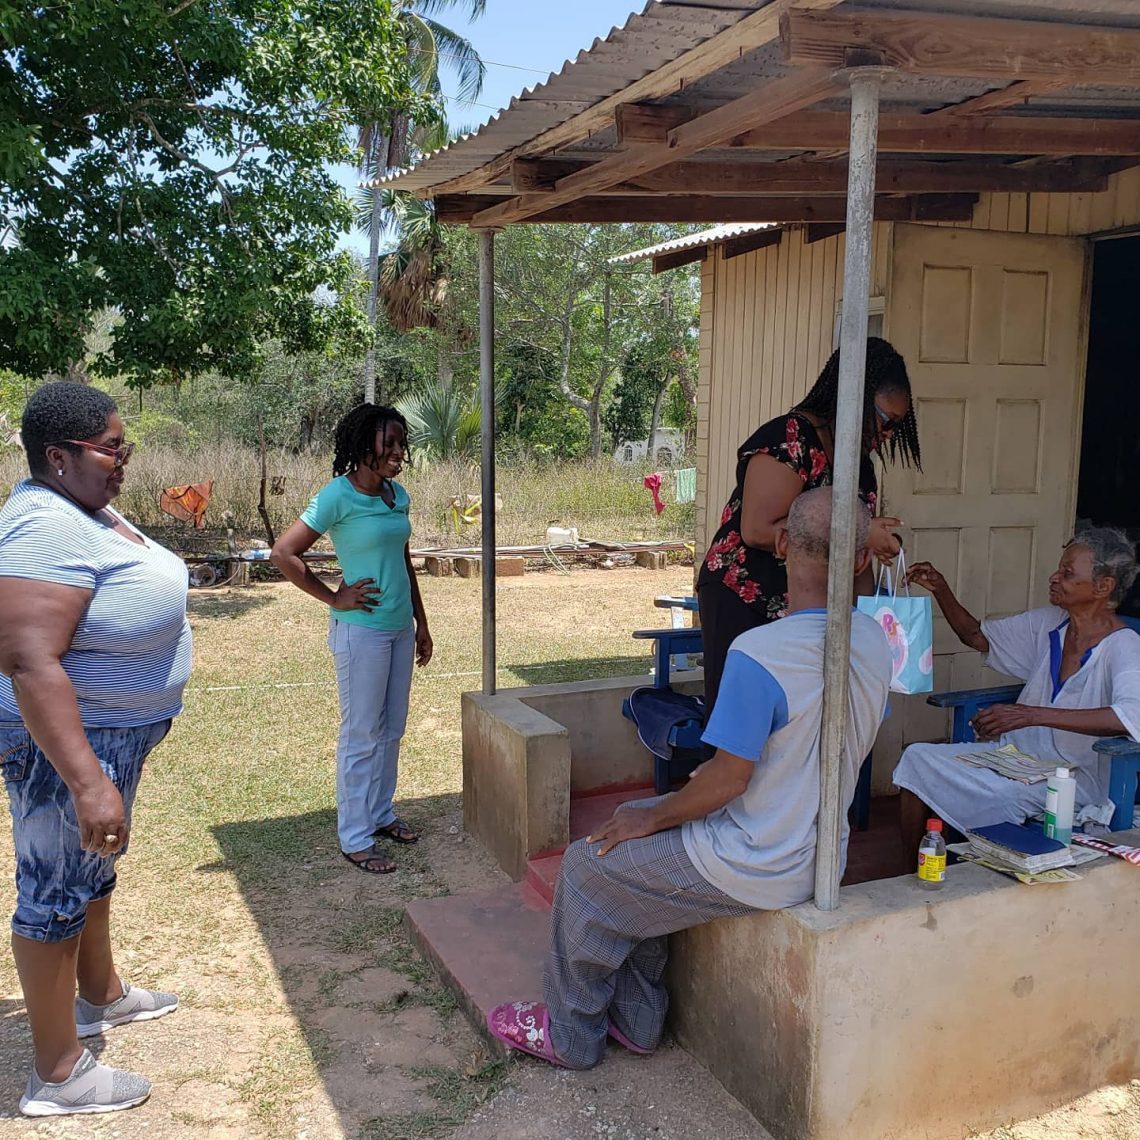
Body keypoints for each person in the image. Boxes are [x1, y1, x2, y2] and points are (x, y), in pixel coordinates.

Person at [487, 488, 892, 1069]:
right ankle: (638, 1019)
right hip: (819, 853)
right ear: (859, 560)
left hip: (757, 860)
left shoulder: (762, 653)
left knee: (585, 866)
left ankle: (571, 1032)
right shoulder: (875, 642)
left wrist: (647, 813)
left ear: (781, 545)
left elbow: (728, 779)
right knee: (643, 861)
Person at [0, 383, 190, 1116]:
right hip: (67, 748)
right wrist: (86, 781)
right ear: (58, 455)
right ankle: (57, 1074)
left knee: (91, 871)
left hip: (113, 735)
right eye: (111, 448)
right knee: (53, 893)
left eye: (124, 446)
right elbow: (28, 659)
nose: (124, 460)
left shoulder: (80, 505)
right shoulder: (42, 526)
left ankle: (100, 995)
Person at [697, 336, 921, 714]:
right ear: (852, 396)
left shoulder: (859, 463)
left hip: (810, 611)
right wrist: (858, 532)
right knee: (743, 722)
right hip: (743, 597)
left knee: (803, 724)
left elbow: (852, 554)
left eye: (897, 427)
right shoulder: (789, 438)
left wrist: (866, 611)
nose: (888, 435)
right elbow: (755, 529)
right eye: (885, 421)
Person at [894, 529, 1140, 854]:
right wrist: (941, 590)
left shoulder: (1124, 647)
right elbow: (976, 637)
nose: (1054, 577)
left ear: (1103, 586)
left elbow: (1127, 717)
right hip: (1017, 759)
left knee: (1002, 796)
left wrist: (1030, 714)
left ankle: (989, 877)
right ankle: (912, 868)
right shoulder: (1050, 624)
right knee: (917, 757)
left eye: (1067, 573)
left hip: (1075, 777)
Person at [271, 404, 432, 875]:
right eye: (390, 445)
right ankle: (355, 836)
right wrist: (333, 598)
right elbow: (284, 552)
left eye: (403, 445)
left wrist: (422, 622)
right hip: (361, 633)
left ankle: (381, 815)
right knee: (361, 733)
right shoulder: (336, 496)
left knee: (392, 728)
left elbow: (403, 562)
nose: (399, 454)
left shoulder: (396, 495)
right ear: (364, 445)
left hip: (400, 629)